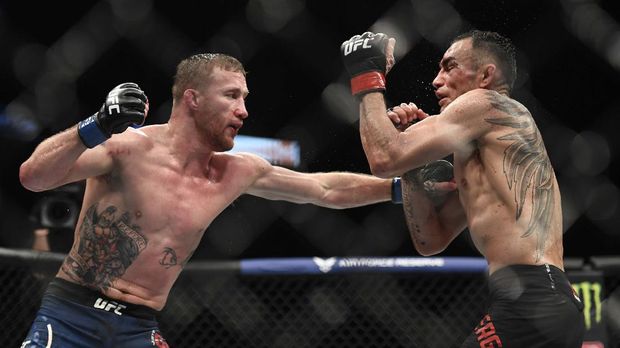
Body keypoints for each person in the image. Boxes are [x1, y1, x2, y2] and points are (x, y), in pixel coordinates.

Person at [18, 53, 400, 348]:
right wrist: (95, 125)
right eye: (232, 96)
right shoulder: (126, 148)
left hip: (138, 326)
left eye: (245, 98)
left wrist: (398, 188)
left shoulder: (238, 171)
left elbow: (324, 189)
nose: (244, 110)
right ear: (193, 99)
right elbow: (34, 177)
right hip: (71, 311)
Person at [341, 30, 585, 347]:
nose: (436, 81)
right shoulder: (484, 158)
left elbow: (384, 157)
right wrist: (414, 170)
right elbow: (431, 240)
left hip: (532, 298)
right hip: (544, 301)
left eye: (450, 67)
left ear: (486, 75)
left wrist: (366, 75)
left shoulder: (486, 104)